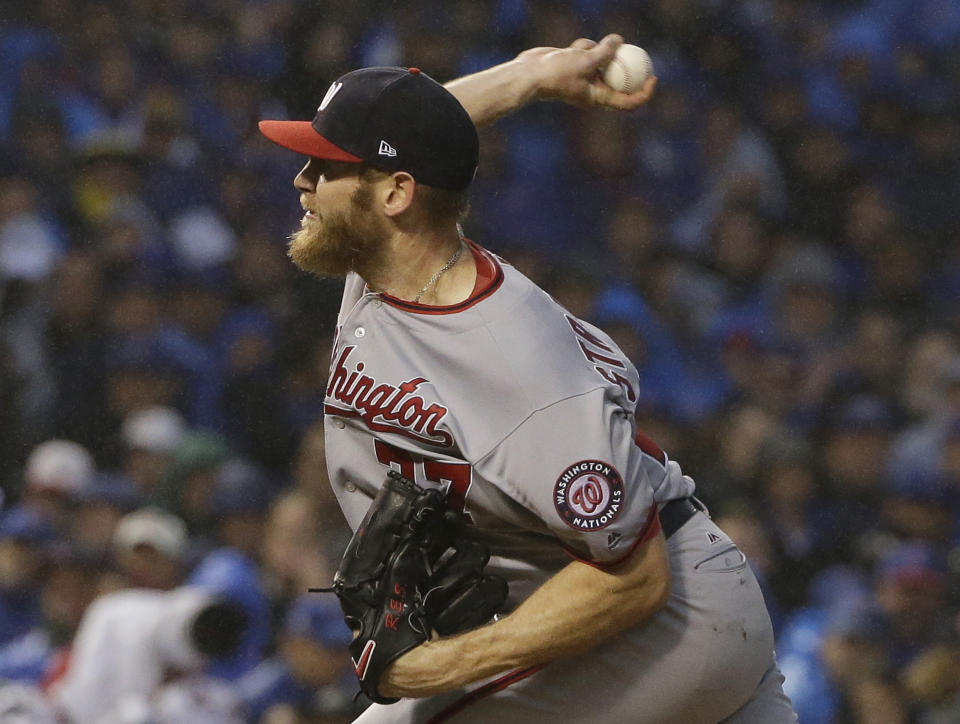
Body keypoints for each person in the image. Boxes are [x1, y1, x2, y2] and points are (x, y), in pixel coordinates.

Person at [259, 34, 797, 723]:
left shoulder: (514, 362)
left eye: (322, 166)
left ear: (394, 195)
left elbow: (633, 579)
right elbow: (421, 131)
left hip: (660, 611)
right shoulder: (385, 259)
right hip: (616, 607)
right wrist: (532, 75)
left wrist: (440, 665)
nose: (302, 179)